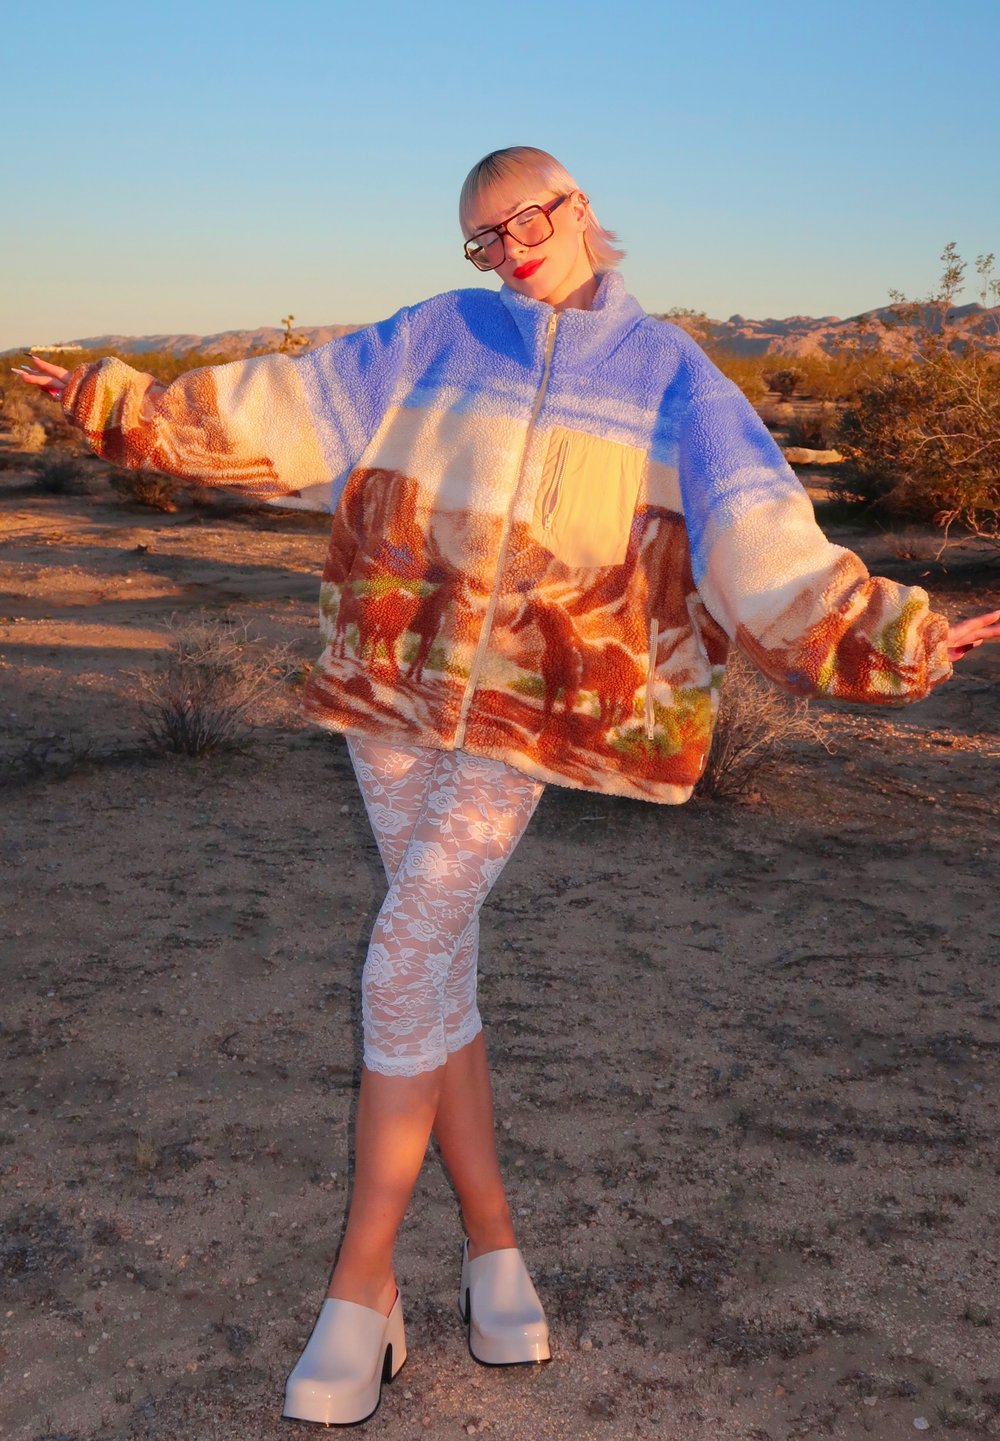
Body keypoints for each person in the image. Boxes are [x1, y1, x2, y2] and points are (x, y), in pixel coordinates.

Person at [16, 145, 999, 1429]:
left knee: (399, 957)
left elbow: (761, 536)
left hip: (533, 716)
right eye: (483, 237)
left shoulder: (671, 375)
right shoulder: (438, 333)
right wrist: (117, 400)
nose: (509, 248)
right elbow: (286, 408)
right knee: (436, 968)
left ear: (577, 208)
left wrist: (893, 632)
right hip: (393, 685)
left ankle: (361, 1288)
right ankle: (494, 1252)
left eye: (525, 219)